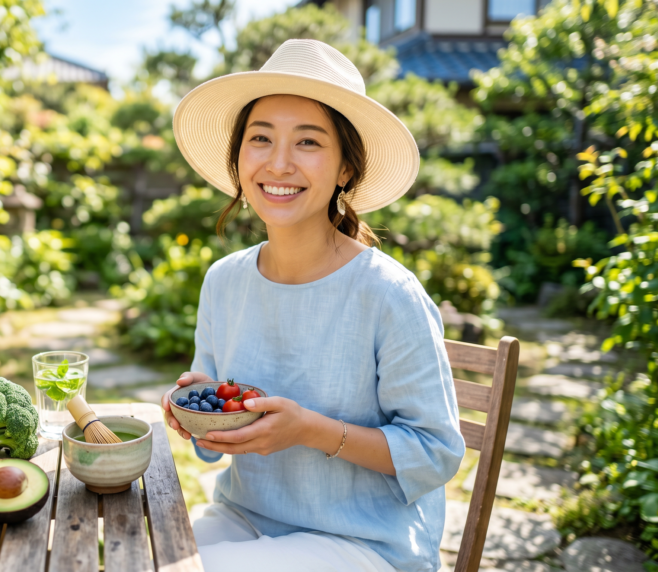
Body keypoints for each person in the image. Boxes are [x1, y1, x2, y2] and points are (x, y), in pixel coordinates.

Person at [161, 39, 465, 572]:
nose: (279, 163)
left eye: (308, 142)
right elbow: (213, 447)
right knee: (137, 554)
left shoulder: (388, 293)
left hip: (365, 540)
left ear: (346, 169)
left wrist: (309, 430)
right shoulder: (224, 281)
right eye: (260, 138)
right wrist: (197, 421)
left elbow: (436, 452)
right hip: (247, 515)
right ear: (238, 159)